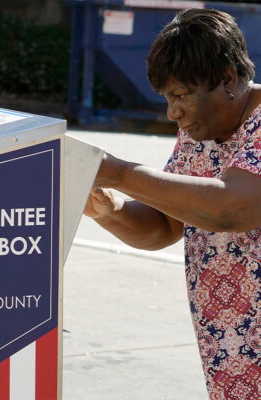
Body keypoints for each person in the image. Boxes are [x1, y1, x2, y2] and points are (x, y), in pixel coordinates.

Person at [84, 8, 261, 399]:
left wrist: (121, 172)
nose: (172, 112)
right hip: (229, 353)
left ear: (227, 79)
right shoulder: (200, 133)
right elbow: (166, 225)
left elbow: (230, 208)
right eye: (167, 98)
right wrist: (111, 211)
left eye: (181, 95)